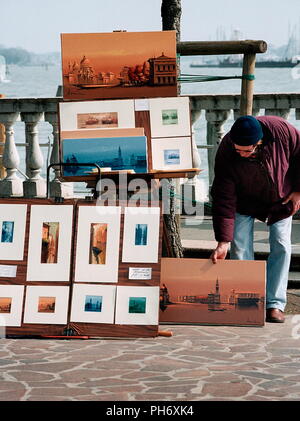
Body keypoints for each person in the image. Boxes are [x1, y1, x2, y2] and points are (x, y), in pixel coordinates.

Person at [210, 115, 300, 323]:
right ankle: (248, 301)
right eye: (237, 149)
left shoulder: (281, 131)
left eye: (246, 150)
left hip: (280, 200)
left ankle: (275, 304)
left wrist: (298, 190)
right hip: (244, 203)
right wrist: (223, 241)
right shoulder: (226, 150)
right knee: (239, 247)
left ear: (259, 143)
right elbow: (223, 196)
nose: (241, 154)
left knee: (282, 245)